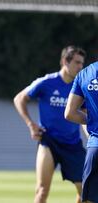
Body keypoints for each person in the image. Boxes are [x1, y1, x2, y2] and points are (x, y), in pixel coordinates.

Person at [13, 46, 87, 203]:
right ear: (64, 62)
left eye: (82, 63)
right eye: (77, 62)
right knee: (41, 191)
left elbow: (85, 117)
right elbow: (19, 98)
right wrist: (31, 124)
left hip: (73, 144)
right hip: (49, 142)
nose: (80, 67)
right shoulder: (47, 82)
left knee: (86, 192)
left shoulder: (81, 87)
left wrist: (92, 137)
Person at [65, 61, 98, 203]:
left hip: (95, 147)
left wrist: (92, 122)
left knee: (89, 199)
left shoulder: (84, 74)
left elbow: (69, 113)